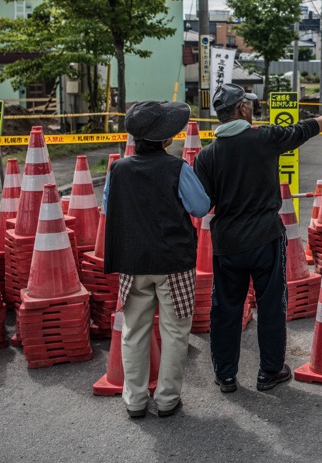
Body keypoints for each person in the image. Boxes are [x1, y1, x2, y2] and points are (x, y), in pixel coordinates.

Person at [194, 83, 322, 393]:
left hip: (227, 244)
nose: (252, 107)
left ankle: (225, 375)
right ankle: (270, 371)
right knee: (271, 304)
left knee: (225, 309)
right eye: (248, 104)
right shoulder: (262, 138)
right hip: (265, 237)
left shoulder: (207, 156)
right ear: (240, 109)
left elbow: (203, 204)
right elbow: (300, 131)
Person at [103, 101, 211, 418]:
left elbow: (110, 209)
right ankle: (166, 399)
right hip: (173, 262)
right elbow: (201, 207)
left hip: (133, 261)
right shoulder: (177, 169)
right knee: (175, 331)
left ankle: (135, 400)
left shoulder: (118, 169)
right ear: (166, 139)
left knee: (134, 331)